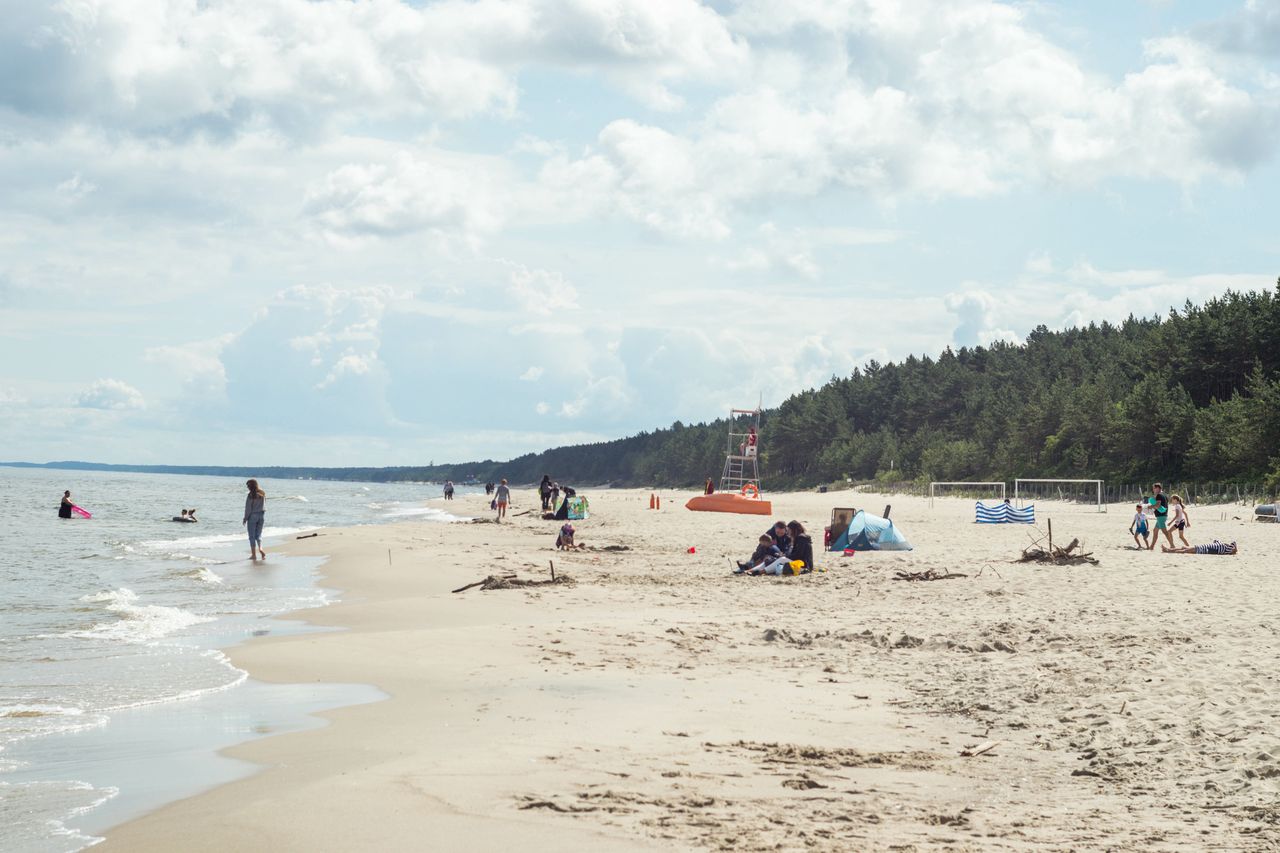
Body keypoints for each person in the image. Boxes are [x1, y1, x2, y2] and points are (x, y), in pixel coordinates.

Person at [242, 479, 267, 560]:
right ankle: (261, 549)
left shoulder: (250, 495)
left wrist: (245, 518)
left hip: (253, 516)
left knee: (252, 536)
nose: (247, 487)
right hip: (261, 515)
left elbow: (248, 509)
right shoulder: (262, 493)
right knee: (258, 535)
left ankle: (254, 555)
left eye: (248, 486)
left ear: (251, 486)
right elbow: (264, 505)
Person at [1148, 483, 1173, 551]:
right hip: (1163, 515)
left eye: (1154, 488)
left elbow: (1158, 505)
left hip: (1161, 516)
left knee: (1165, 532)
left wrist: (1150, 507)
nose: (1153, 490)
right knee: (1155, 531)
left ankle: (1172, 545)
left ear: (1158, 488)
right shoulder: (1164, 495)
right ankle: (1151, 546)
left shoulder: (1159, 495)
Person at [1162, 540, 1237, 555]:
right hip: (1204, 547)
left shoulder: (1228, 550)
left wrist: (1234, 549)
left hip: (1204, 549)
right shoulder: (1225, 547)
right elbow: (1215, 541)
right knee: (1184, 548)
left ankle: (1168, 551)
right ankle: (1168, 549)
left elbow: (1234, 542)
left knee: (1185, 550)